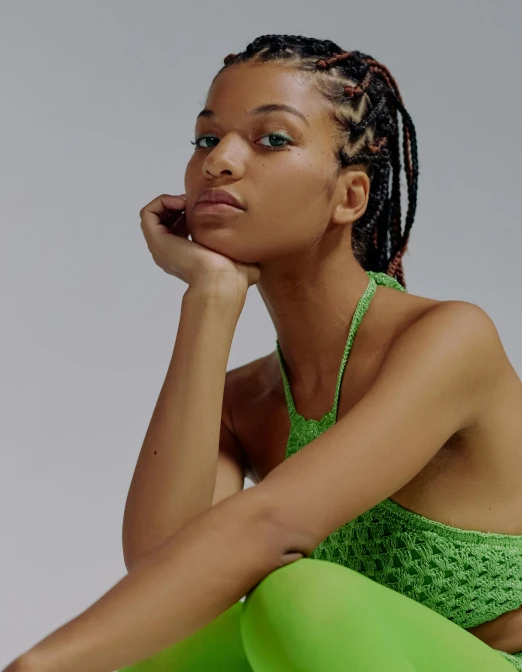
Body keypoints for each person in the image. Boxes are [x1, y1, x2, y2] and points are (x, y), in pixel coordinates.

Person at [8, 35, 522, 672]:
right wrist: (212, 297)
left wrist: (42, 665)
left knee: (299, 595)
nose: (219, 162)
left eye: (271, 139)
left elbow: (273, 526)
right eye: (205, 139)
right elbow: (165, 577)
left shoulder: (448, 339)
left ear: (350, 197)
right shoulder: (244, 402)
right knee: (173, 636)